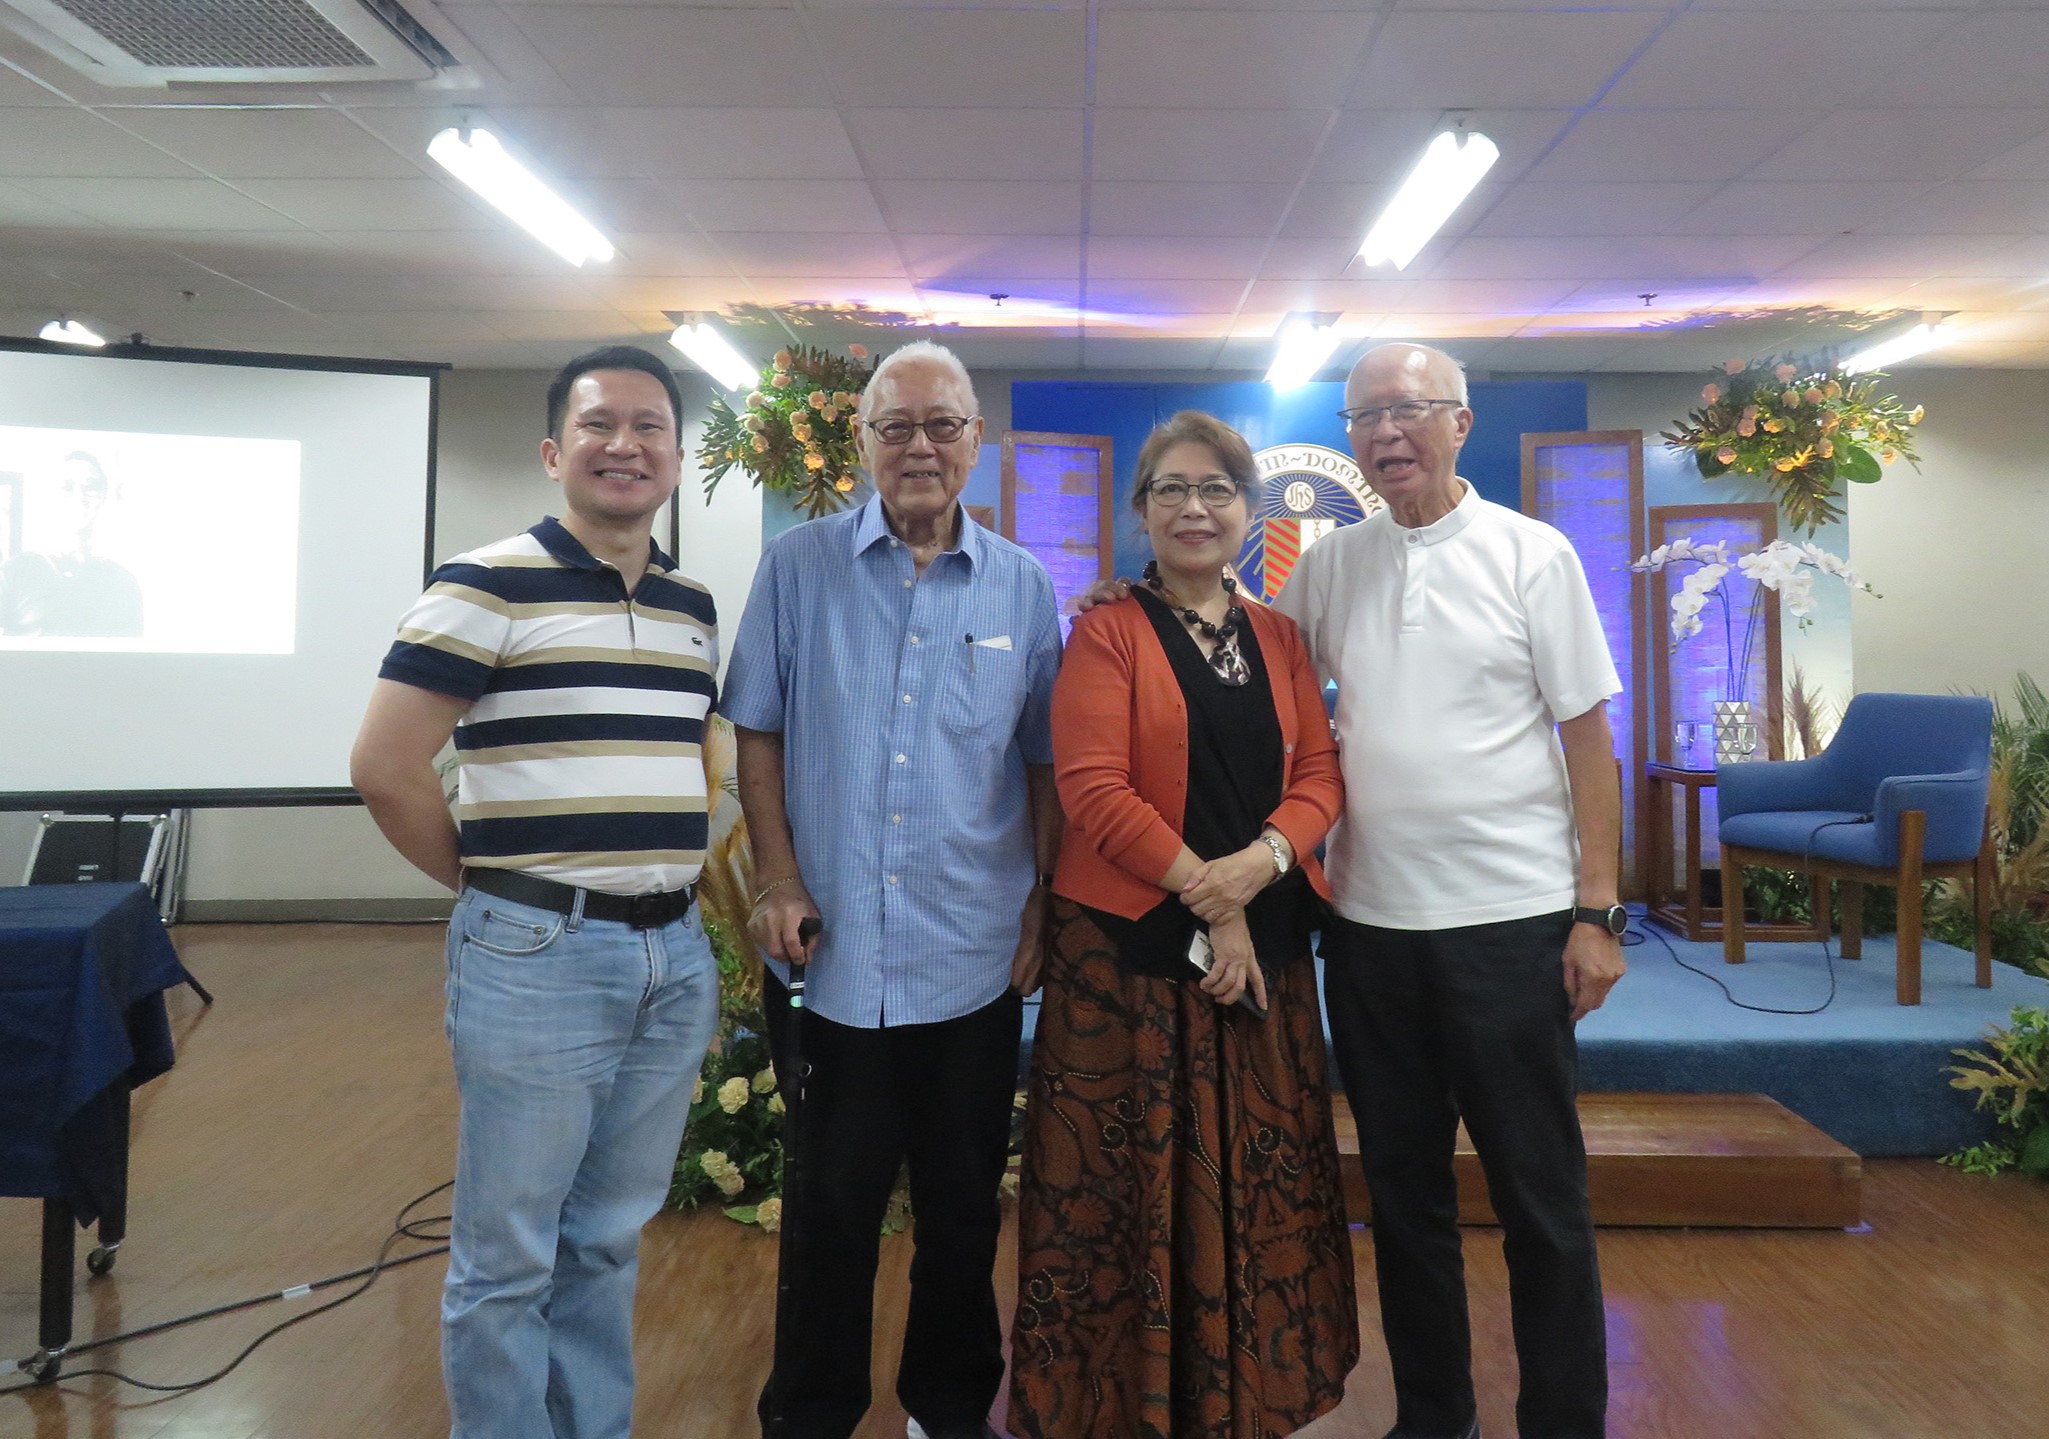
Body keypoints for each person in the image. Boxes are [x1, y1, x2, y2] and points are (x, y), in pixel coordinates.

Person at [351, 345, 722, 1439]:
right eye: (601, 424)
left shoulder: (691, 603)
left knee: (606, 1234)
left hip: (673, 955)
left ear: (676, 456)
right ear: (557, 449)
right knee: (509, 1252)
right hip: (538, 952)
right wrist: (493, 890)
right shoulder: (483, 582)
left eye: (649, 426)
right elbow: (384, 766)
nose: (626, 443)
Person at [1277, 343, 1626, 1439]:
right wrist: (1132, 600)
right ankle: (1434, 1417)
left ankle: (1563, 1420)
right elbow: (1247, 661)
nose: (1388, 433)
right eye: (1367, 415)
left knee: (1542, 1203)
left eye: (1412, 410)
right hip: (1371, 932)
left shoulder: (1534, 553)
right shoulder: (1332, 566)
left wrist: (1596, 910)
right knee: (1406, 1204)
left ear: (1461, 423)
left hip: (1513, 931)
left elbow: (1588, 737)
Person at [722, 340, 1063, 1439]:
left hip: (970, 953)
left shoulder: (1022, 584)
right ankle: (813, 1412)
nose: (920, 445)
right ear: (863, 440)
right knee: (831, 1208)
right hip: (833, 960)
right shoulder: (798, 567)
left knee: (965, 1210)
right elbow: (758, 732)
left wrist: (1043, 903)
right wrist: (775, 873)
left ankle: (949, 1407)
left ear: (976, 443)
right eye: (896, 425)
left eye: (943, 424)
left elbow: (1047, 761)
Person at [1008, 411, 1358, 1439]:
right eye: (1171, 488)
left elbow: (1321, 772)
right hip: (1130, 961)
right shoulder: (1106, 630)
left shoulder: (1283, 636)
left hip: (1267, 957)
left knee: (1261, 1182)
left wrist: (1259, 868)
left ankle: (1255, 1393)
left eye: (1215, 489)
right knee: (1126, 1195)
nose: (1194, 507)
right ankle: (1117, 1405)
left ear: (1248, 510)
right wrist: (1216, 896)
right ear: (1142, 510)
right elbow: (1093, 788)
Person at [0, 450, 143, 637]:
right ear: (48, 495)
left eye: (90, 487)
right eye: (66, 487)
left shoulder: (123, 582)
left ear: (103, 496)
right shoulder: (13, 573)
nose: (79, 497)